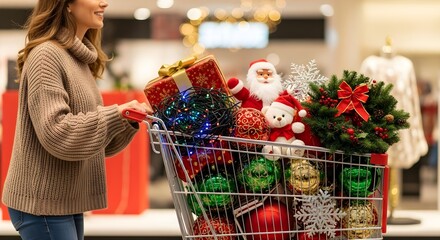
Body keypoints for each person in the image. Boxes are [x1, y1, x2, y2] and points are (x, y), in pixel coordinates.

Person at [1, 0, 153, 239]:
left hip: (64, 201)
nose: (105, 2)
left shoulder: (79, 60)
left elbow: (93, 145)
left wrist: (127, 121)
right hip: (42, 202)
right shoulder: (46, 55)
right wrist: (116, 114)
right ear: (67, 4)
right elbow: (58, 133)